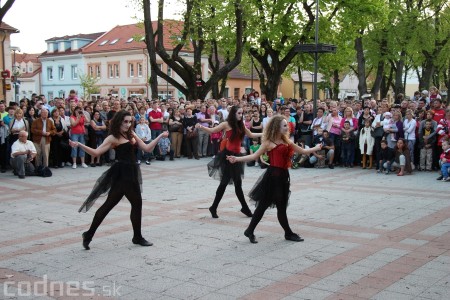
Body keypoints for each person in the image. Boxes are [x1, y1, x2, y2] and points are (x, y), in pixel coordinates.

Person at [69, 110, 169, 250]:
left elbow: (146, 148)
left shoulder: (131, 133)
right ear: (119, 121)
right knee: (133, 203)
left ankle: (89, 234)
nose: (128, 124)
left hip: (132, 172)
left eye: (130, 121)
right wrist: (79, 145)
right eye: (125, 121)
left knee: (111, 205)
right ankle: (136, 237)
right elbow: (96, 152)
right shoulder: (113, 137)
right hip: (122, 173)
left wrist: (160, 137)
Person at [227, 115, 321, 243]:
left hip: (283, 177)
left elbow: (303, 151)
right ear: (276, 127)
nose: (287, 127)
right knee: (270, 206)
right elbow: (254, 156)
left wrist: (317, 148)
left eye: (286, 125)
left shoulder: (287, 141)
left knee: (271, 206)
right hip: (272, 177)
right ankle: (287, 233)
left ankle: (251, 230)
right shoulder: (269, 143)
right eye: (284, 125)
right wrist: (236, 159)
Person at [196, 105, 262, 219]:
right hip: (228, 157)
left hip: (237, 157)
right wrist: (201, 126)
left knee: (236, 184)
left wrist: (265, 134)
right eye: (239, 113)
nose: (241, 115)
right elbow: (212, 130)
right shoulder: (226, 124)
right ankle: (217, 207)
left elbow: (251, 134)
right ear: (233, 113)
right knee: (226, 183)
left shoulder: (241, 124)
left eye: (242, 113)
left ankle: (234, 207)